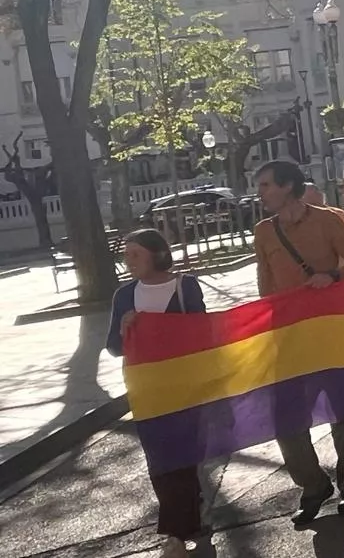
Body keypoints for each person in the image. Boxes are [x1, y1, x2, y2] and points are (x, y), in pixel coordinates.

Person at [252, 160, 344, 524]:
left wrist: (332, 276)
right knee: (286, 416)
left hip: (331, 330)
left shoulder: (326, 220)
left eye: (266, 185)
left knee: (343, 410)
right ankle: (313, 484)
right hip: (288, 337)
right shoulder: (263, 231)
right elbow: (264, 282)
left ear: (288, 186)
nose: (260, 193)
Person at [106, 229, 207, 558]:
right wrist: (125, 329)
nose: (128, 261)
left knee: (183, 458)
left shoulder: (184, 286)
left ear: (157, 254)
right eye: (126, 255)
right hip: (146, 390)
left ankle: (180, 528)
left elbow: (202, 334)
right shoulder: (123, 295)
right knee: (160, 459)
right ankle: (178, 532)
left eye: (136, 254)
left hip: (185, 387)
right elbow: (112, 348)